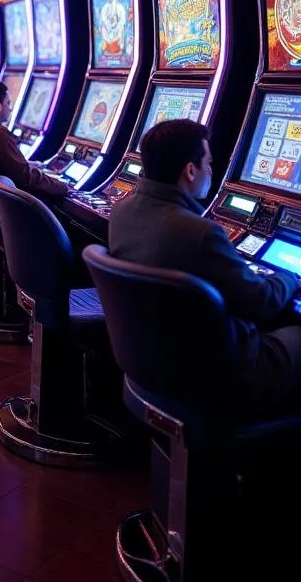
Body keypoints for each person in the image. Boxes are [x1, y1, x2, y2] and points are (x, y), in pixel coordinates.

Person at [109, 119, 301, 415]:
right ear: (189, 170)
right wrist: (290, 276)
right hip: (216, 375)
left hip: (152, 358)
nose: (212, 171)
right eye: (208, 163)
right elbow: (262, 302)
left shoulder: (121, 210)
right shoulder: (200, 234)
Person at [0, 78, 69, 198]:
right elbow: (25, 177)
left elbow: (11, 166)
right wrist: (64, 187)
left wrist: (31, 166)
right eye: (8, 103)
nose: (10, 108)